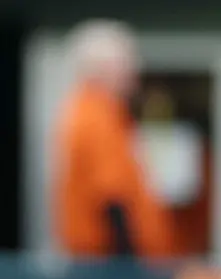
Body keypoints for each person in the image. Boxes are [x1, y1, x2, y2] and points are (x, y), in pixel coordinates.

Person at [52, 19, 172, 260]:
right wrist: (129, 269)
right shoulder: (96, 116)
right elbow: (112, 199)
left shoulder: (102, 113)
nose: (135, 70)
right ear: (101, 68)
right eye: (127, 62)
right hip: (106, 264)